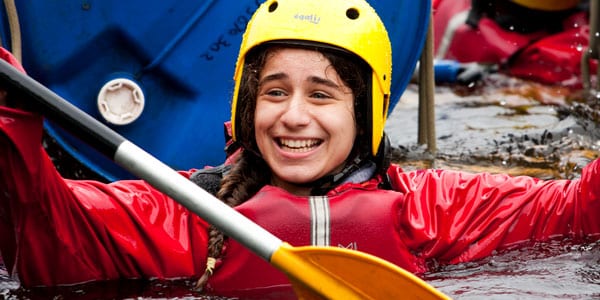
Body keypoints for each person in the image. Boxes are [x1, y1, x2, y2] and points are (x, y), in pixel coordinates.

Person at [1, 0, 600, 298]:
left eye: (322, 94)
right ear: (243, 108)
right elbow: (48, 235)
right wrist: (13, 125)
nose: (293, 116)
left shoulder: (439, 209)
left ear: (363, 113)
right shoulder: (181, 211)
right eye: (274, 92)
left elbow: (580, 211)